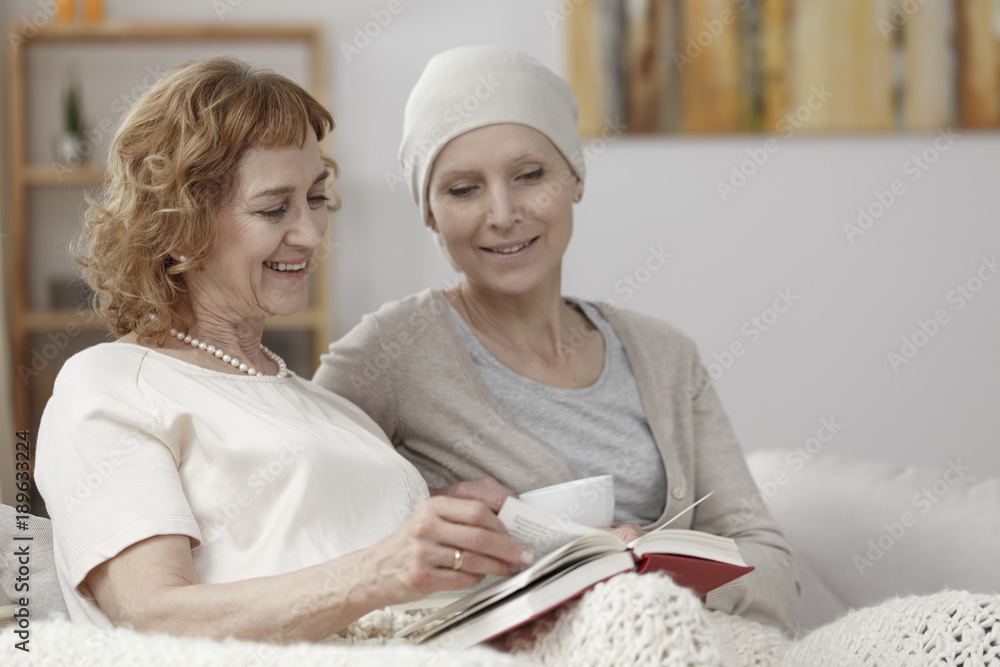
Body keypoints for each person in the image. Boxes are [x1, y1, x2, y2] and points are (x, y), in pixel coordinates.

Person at [33, 56, 533, 643]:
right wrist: (379, 571)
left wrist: (448, 512)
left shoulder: (329, 408)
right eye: (274, 208)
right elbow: (151, 615)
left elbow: (318, 531)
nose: (311, 232)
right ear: (179, 225)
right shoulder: (109, 384)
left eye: (316, 198)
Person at [313, 46, 802, 629]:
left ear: (575, 178)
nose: (502, 213)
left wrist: (646, 570)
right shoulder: (386, 355)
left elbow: (772, 566)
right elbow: (316, 546)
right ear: (429, 213)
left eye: (529, 176)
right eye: (463, 189)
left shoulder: (665, 354)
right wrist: (424, 527)